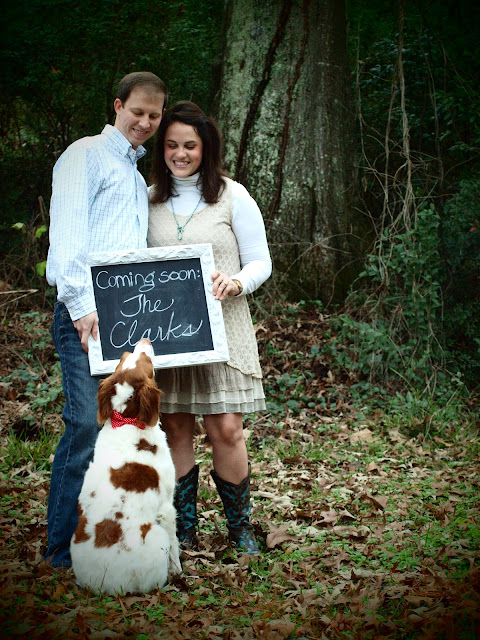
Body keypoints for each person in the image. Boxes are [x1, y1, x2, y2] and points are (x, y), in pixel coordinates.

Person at [45, 71, 167, 568]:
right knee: (83, 425)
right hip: (85, 315)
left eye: (153, 115)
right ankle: (60, 550)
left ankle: (105, 540)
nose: (144, 122)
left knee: (118, 426)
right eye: (137, 111)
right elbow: (67, 238)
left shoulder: (135, 177)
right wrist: (80, 307)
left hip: (121, 321)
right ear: (117, 105)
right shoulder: (86, 155)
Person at [148, 101, 272, 554]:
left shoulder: (233, 196)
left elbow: (261, 261)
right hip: (167, 335)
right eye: (171, 145)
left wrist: (237, 281)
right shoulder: (147, 199)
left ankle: (240, 529)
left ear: (207, 148)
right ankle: (183, 529)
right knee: (175, 427)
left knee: (226, 428)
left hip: (222, 328)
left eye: (190, 145)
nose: (180, 154)